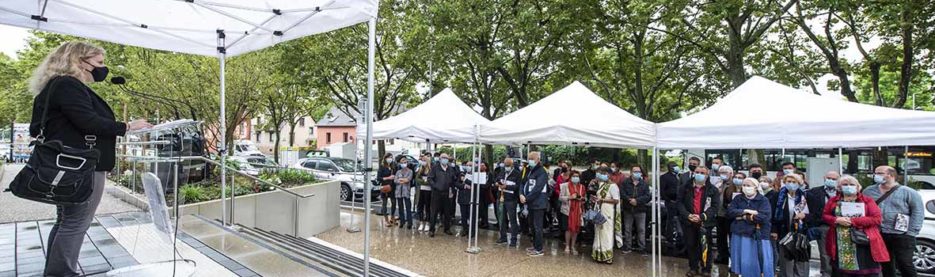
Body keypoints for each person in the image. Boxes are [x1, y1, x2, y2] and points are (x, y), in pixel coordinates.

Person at [29, 41, 151, 276]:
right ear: (79, 61)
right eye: (99, 63)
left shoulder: (56, 86)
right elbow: (88, 122)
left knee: (66, 220)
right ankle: (62, 273)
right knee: (76, 222)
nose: (103, 69)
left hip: (69, 164)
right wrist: (127, 126)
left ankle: (55, 271)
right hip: (81, 166)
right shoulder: (67, 86)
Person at [863, 165, 924, 277]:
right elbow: (863, 209)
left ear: (890, 175)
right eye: (875, 173)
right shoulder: (869, 191)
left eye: (879, 173)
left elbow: (918, 213)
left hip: (902, 235)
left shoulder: (908, 192)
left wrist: (910, 233)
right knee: (885, 264)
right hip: (879, 234)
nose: (875, 175)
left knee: (905, 264)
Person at [823, 175, 888, 276]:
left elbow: (877, 219)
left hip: (862, 240)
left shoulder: (867, 201)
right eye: (845, 184)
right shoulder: (833, 200)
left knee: (863, 270)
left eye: (852, 184)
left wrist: (853, 221)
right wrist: (836, 219)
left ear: (858, 187)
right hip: (839, 241)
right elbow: (825, 215)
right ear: (839, 187)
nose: (848, 186)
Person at [678, 165, 720, 276]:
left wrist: (702, 216)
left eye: (702, 173)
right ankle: (693, 268)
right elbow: (679, 203)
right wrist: (688, 215)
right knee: (691, 245)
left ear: (707, 175)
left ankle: (706, 268)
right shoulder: (685, 187)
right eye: (697, 172)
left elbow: (715, 207)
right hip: (689, 221)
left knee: (706, 246)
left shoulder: (713, 190)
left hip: (705, 223)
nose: (699, 174)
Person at [728, 178, 774, 277]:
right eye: (744, 185)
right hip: (740, 233)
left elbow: (763, 217)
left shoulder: (763, 200)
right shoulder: (738, 198)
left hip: (758, 235)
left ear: (756, 187)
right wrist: (745, 211)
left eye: (748, 185)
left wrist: (743, 217)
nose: (745, 187)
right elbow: (730, 211)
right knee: (743, 261)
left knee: (758, 261)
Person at [771, 174, 809, 277]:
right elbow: (773, 213)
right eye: (788, 181)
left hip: (801, 233)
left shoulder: (805, 196)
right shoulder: (777, 196)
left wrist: (804, 216)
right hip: (784, 231)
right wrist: (774, 230)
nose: (791, 184)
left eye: (794, 182)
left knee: (801, 260)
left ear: (799, 183)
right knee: (786, 260)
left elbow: (814, 214)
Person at [806, 171, 840, 277]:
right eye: (829, 178)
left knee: (841, 253)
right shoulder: (814, 192)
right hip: (824, 226)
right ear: (824, 178)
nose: (831, 180)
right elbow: (810, 210)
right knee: (825, 254)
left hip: (841, 226)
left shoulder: (842, 191)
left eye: (834, 179)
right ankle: (826, 274)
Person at [520, 151, 549, 257]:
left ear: (538, 160)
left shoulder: (542, 171)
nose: (530, 161)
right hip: (531, 203)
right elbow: (525, 183)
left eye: (532, 158)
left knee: (538, 227)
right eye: (529, 158)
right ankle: (535, 245)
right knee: (532, 226)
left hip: (538, 203)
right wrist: (521, 195)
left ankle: (539, 249)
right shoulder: (530, 170)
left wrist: (526, 198)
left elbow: (538, 188)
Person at [591, 167, 621, 264]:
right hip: (600, 210)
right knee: (598, 232)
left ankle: (608, 256)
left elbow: (616, 200)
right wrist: (596, 199)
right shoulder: (602, 184)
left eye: (602, 173)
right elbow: (600, 196)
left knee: (606, 233)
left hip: (608, 211)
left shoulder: (613, 186)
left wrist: (603, 200)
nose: (600, 175)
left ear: (608, 174)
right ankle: (598, 254)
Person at [621, 165, 650, 254]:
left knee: (641, 229)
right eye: (635, 171)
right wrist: (629, 200)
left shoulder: (644, 184)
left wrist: (637, 201)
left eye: (638, 171)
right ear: (631, 172)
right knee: (627, 229)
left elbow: (648, 196)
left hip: (640, 210)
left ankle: (642, 247)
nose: (637, 173)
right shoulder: (625, 182)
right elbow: (622, 193)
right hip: (628, 209)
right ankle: (627, 246)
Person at [428, 153, 459, 237]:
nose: (445, 159)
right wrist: (435, 186)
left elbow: (454, 180)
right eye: (443, 158)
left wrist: (454, 189)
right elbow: (430, 179)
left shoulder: (450, 169)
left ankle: (447, 229)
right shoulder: (435, 168)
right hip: (436, 193)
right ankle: (432, 230)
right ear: (440, 159)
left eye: (446, 158)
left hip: (447, 193)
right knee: (434, 212)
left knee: (447, 212)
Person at [496, 158, 522, 247]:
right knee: (501, 219)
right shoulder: (502, 171)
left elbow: (518, 186)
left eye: (508, 165)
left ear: (512, 165)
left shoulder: (517, 174)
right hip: (501, 198)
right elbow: (497, 179)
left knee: (512, 219)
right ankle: (503, 237)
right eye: (505, 165)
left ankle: (513, 239)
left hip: (511, 199)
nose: (506, 167)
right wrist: (498, 183)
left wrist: (507, 186)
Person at [559, 170, 586, 255]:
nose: (575, 178)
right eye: (574, 176)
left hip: (578, 211)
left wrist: (581, 198)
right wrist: (570, 197)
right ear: (570, 177)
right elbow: (560, 197)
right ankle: (567, 245)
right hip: (567, 210)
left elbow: (585, 198)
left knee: (576, 229)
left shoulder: (582, 187)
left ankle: (573, 246)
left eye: (577, 176)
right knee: (568, 229)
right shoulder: (565, 186)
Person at [661, 162, 684, 255]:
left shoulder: (679, 176)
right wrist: (669, 200)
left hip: (680, 202)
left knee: (680, 221)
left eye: (676, 165)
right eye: (673, 166)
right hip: (671, 202)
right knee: (670, 221)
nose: (675, 167)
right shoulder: (664, 177)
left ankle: (680, 238)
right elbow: (662, 191)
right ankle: (669, 240)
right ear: (669, 168)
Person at [714, 165, 736, 265]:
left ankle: (733, 258)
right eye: (721, 173)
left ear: (731, 174)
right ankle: (722, 255)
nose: (722, 175)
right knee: (720, 236)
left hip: (730, 215)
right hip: (719, 214)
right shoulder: (718, 183)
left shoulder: (734, 185)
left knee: (732, 237)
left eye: (725, 172)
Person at [378, 153, 398, 226]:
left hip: (393, 187)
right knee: (384, 203)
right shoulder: (382, 167)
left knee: (394, 203)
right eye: (389, 157)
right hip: (385, 187)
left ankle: (392, 217)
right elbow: (378, 178)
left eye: (391, 157)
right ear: (385, 158)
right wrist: (388, 178)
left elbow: (397, 175)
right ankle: (386, 219)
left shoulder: (394, 166)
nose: (390, 159)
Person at [395, 157, 414, 229]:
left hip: (406, 192)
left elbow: (408, 179)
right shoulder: (398, 172)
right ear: (400, 163)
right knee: (400, 207)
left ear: (407, 163)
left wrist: (401, 180)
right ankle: (402, 222)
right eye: (402, 162)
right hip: (398, 192)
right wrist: (402, 180)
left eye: (405, 162)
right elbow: (395, 180)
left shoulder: (410, 171)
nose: (403, 164)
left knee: (408, 207)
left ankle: (410, 223)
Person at [415, 155, 433, 232]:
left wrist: (425, 181)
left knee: (428, 208)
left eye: (424, 160)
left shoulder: (431, 170)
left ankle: (428, 223)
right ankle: (421, 222)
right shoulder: (420, 169)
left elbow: (431, 180)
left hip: (429, 191)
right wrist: (424, 181)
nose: (423, 162)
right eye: (422, 160)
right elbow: (417, 179)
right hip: (421, 191)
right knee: (420, 207)